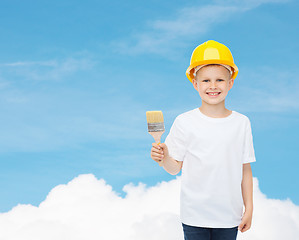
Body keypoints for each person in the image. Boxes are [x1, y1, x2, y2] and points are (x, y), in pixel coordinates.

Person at [150, 40, 256, 240]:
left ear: (231, 82)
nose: (213, 86)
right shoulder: (184, 122)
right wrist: (163, 157)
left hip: (229, 216)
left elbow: (245, 169)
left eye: (220, 80)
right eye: (206, 80)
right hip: (194, 216)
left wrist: (249, 208)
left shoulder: (241, 123)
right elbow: (174, 168)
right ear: (195, 83)